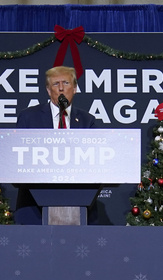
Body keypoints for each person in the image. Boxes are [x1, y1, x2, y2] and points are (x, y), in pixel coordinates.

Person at [13, 65, 100, 224]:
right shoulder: (28, 117)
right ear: (48, 90)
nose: (61, 88)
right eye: (55, 84)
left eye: (66, 83)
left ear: (75, 88)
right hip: (33, 205)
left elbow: (94, 160)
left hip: (78, 201)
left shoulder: (87, 121)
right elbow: (18, 158)